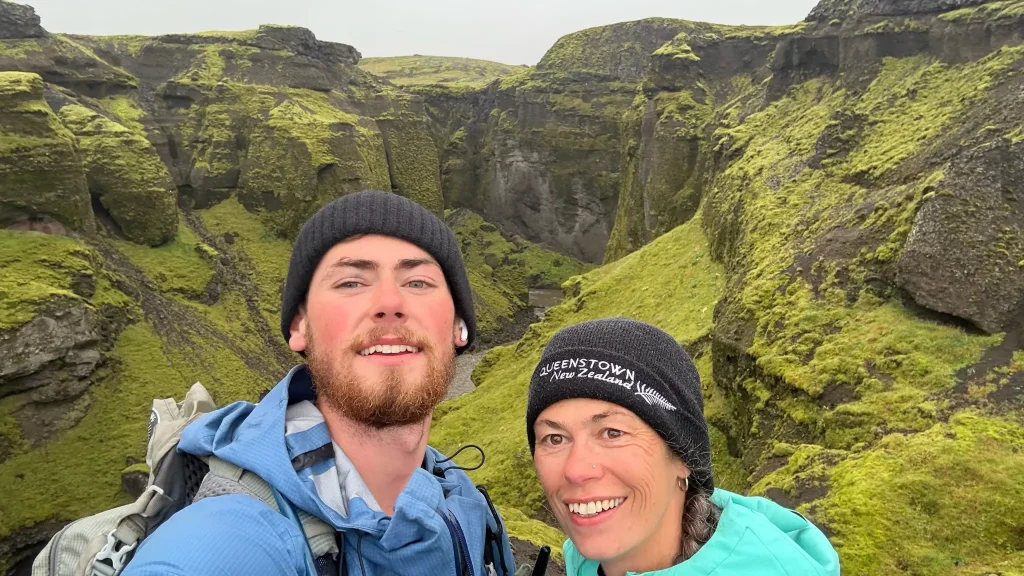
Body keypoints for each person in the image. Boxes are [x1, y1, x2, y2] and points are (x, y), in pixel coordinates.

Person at [124, 190, 516, 575]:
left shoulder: (459, 494)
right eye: (350, 282)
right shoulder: (229, 535)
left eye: (417, 282)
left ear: (459, 327)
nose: (390, 302)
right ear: (299, 327)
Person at [526, 318, 840, 576]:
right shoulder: (583, 557)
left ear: (683, 456)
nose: (576, 470)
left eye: (612, 433)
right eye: (555, 438)